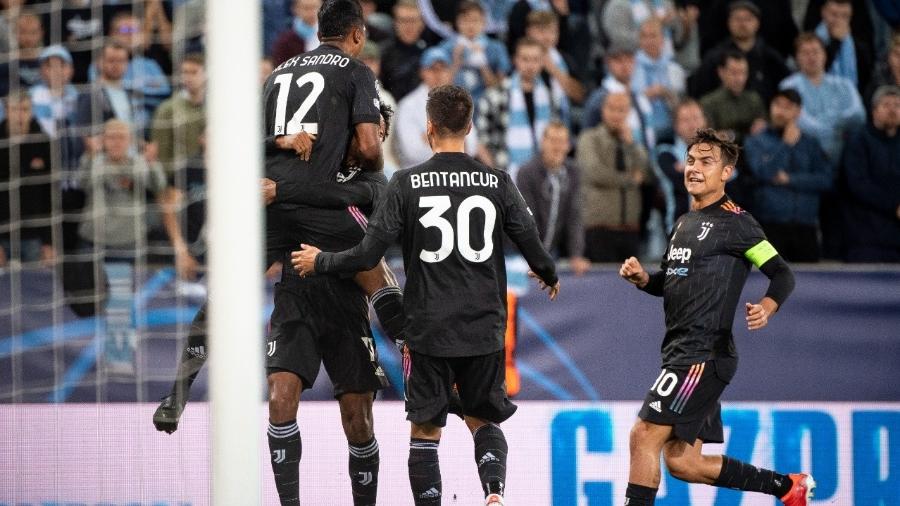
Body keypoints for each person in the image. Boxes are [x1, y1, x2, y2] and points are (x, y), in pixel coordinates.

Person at [292, 84, 560, 506]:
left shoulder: (406, 183)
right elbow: (533, 244)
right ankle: (494, 493)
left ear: (428, 128)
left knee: (425, 431)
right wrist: (548, 273)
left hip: (428, 326)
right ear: (469, 126)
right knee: (483, 417)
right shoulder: (497, 180)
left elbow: (367, 254)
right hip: (483, 325)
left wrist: (321, 260)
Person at [618, 128, 814, 506]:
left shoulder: (737, 223)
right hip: (683, 353)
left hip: (703, 355)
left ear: (727, 172)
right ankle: (789, 488)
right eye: (691, 160)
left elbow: (781, 273)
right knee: (683, 462)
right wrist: (644, 279)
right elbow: (672, 283)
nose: (694, 168)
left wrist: (768, 306)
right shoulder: (682, 224)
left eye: (706, 162)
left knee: (643, 435)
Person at [744, 89, 832, 262]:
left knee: (813, 285)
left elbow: (825, 180)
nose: (781, 112)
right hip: (769, 226)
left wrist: (790, 179)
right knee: (766, 283)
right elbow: (763, 172)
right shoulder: (756, 141)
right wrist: (785, 145)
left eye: (788, 107)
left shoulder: (811, 143)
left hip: (805, 226)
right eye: (777, 105)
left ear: (798, 111)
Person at [476, 37, 568, 178]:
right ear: (516, 60)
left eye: (535, 60)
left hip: (543, 177)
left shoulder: (551, 97)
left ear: (542, 62)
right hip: (505, 174)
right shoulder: (495, 95)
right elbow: (480, 140)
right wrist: (497, 174)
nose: (530, 65)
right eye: (525, 59)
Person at [576, 92, 652, 262]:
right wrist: (630, 180)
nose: (617, 114)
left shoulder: (632, 143)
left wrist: (631, 145)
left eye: (622, 110)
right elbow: (594, 172)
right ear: (603, 110)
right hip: (599, 229)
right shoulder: (589, 138)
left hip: (630, 229)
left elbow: (646, 173)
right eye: (612, 109)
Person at [516, 120, 590, 275]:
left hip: (551, 253)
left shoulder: (573, 172)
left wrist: (576, 255)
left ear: (568, 146)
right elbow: (528, 219)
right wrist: (533, 257)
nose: (557, 147)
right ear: (543, 142)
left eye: (562, 141)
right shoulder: (527, 172)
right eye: (553, 141)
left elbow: (574, 217)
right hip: (520, 254)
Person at [841, 85, 900, 262]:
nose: (892, 110)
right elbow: (858, 184)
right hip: (866, 237)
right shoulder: (858, 139)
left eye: (897, 105)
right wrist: (894, 205)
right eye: (886, 105)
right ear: (874, 111)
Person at [395, 47, 479, 169]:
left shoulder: (460, 102)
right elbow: (412, 151)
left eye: (443, 68)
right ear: (422, 72)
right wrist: (453, 141)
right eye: (432, 69)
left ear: (450, 72)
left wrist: (432, 137)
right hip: (418, 176)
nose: (438, 74)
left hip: (455, 174)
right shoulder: (408, 105)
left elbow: (472, 147)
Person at [0, 91, 55, 267]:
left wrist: (49, 241)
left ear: (31, 111)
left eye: (25, 109)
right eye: (15, 110)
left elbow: (51, 196)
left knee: (35, 290)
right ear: (6, 111)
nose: (20, 115)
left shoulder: (45, 143)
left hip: (34, 237)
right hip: (2, 235)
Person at [699, 50, 766, 146]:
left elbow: (763, 127)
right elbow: (711, 136)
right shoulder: (708, 102)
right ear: (721, 72)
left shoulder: (754, 99)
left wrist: (762, 126)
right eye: (734, 73)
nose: (740, 79)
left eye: (743, 73)